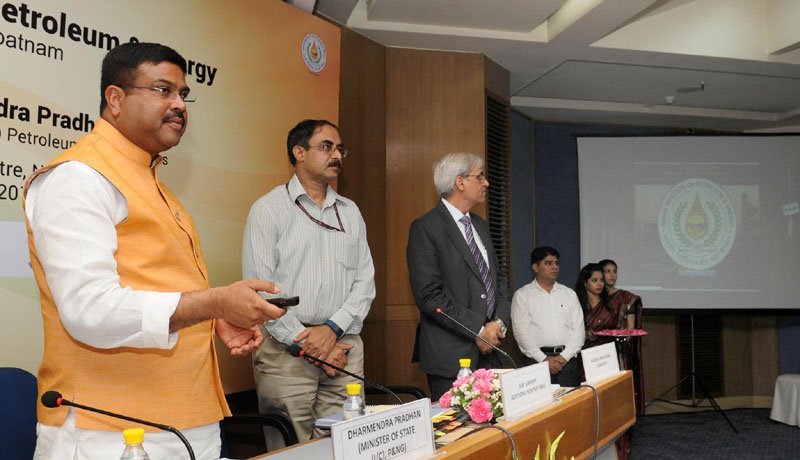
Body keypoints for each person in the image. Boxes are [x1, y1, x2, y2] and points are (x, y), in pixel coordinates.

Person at [23, 42, 286, 459]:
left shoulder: (153, 183)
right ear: (115, 99)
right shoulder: (78, 178)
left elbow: (154, 286)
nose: (180, 104)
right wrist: (214, 301)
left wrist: (210, 317)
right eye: (164, 90)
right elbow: (88, 309)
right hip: (110, 432)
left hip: (185, 421)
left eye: (183, 94)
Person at [243, 119, 375, 440]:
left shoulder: (350, 211)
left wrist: (331, 331)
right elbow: (262, 291)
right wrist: (310, 343)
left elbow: (364, 282)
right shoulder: (268, 210)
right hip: (285, 351)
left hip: (343, 347)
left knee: (344, 444)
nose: (337, 156)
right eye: (326, 147)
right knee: (290, 447)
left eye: (340, 148)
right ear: (298, 152)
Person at [406, 152, 511, 401]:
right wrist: (477, 329)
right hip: (452, 356)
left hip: (492, 352)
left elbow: (499, 281)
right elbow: (429, 295)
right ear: (460, 182)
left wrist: (498, 324)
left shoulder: (481, 225)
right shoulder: (425, 228)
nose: (486, 182)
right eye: (480, 176)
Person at [510, 246, 584, 387]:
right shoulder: (522, 295)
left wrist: (563, 358)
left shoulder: (569, 294)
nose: (555, 267)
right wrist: (544, 359)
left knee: (570, 407)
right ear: (535, 267)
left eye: (556, 263)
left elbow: (579, 331)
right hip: (536, 362)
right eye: (548, 263)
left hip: (568, 363)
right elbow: (521, 333)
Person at [599, 258, 645, 414]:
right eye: (607, 271)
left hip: (620, 351)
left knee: (620, 392)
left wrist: (619, 340)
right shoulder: (594, 298)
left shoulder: (626, 298)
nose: (612, 275)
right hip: (596, 351)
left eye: (614, 271)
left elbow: (630, 331)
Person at [575, 263, 615, 349]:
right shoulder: (576, 304)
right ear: (585, 283)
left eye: (602, 280)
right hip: (584, 353)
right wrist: (585, 334)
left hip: (608, 352)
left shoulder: (610, 304)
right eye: (594, 280)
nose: (599, 284)